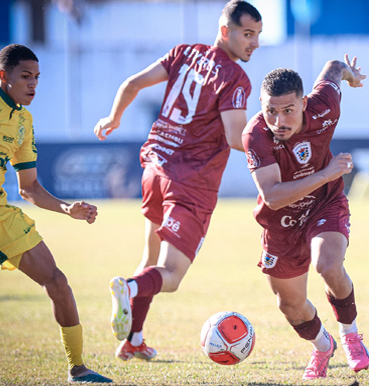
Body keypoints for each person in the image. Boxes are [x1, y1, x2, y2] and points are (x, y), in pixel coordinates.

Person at [93, 0, 262, 361]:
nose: (254, 43)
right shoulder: (234, 77)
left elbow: (132, 83)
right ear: (225, 31)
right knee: (170, 275)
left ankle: (134, 338)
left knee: (151, 257)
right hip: (191, 183)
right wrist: (272, 141)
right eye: (248, 34)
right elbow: (236, 138)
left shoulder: (184, 52)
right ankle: (129, 287)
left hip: (154, 168)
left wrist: (113, 117)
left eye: (257, 35)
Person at [0, 44, 112, 383]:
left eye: (37, 77)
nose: (33, 84)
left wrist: (68, 208)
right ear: (3, 76)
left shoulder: (24, 122)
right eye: (25, 76)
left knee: (56, 281)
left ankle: (78, 368)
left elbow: (29, 188)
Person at [241, 55, 369, 380]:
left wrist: (350, 75)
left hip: (324, 205)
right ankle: (323, 347)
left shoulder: (325, 106)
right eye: (271, 110)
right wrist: (326, 173)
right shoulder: (256, 135)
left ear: (303, 103)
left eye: (288, 110)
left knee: (327, 264)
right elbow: (272, 196)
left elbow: (334, 67)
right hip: (280, 222)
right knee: (290, 305)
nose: (279, 120)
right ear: (261, 104)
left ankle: (351, 334)